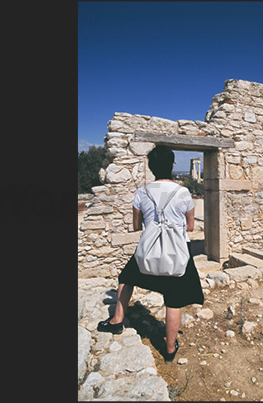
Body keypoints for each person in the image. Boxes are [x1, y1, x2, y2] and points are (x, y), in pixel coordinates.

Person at [97, 145, 205, 363]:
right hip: (178, 252)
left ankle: (117, 320)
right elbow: (190, 227)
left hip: (148, 251)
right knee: (173, 299)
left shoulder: (142, 192)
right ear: (173, 165)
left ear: (152, 167)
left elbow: (137, 226)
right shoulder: (183, 192)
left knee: (126, 278)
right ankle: (169, 348)